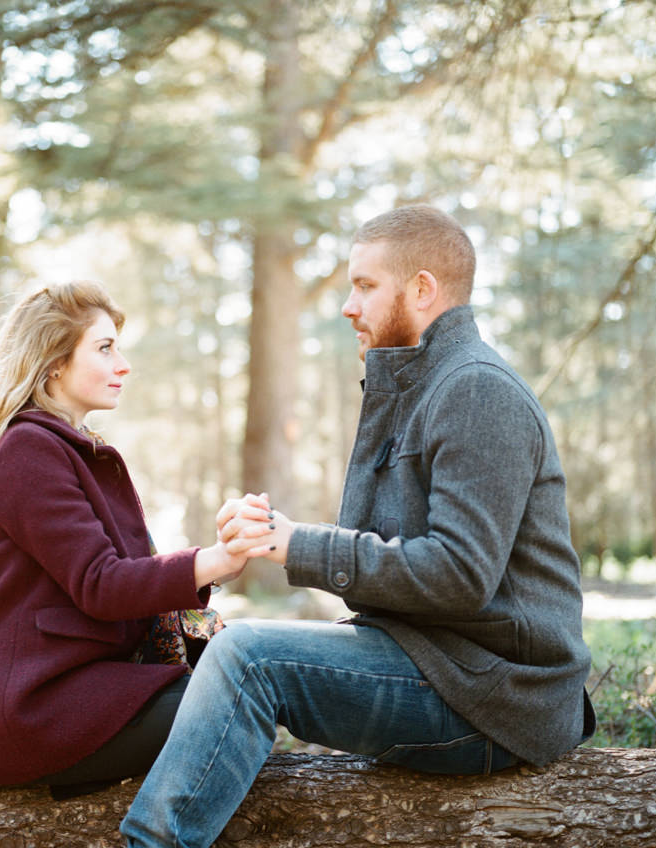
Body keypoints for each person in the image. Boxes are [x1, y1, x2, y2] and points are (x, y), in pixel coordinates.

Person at [120, 204, 595, 847]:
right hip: (445, 666)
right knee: (240, 644)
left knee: (248, 656)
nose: (349, 305)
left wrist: (298, 545)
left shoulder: (476, 390)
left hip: (494, 699)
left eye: (365, 286)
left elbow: (459, 576)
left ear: (423, 289)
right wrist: (280, 536)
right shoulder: (415, 385)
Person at [0, 281, 249, 792]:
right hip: (34, 710)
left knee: (251, 677)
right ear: (54, 362)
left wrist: (214, 570)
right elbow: (101, 585)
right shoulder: (26, 451)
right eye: (104, 348)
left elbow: (120, 586)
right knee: (239, 698)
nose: (123, 364)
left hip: (77, 691)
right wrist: (212, 561)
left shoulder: (70, 449)